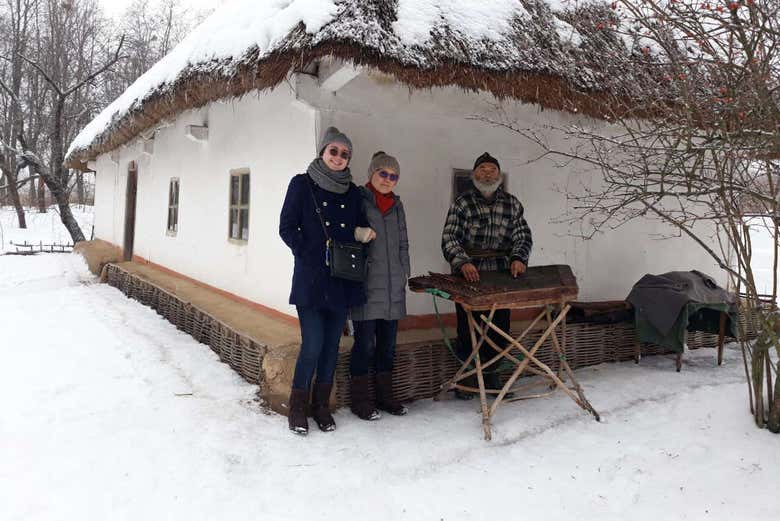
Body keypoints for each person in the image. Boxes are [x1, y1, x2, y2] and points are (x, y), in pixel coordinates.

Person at [279, 127, 376, 435]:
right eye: (333, 151)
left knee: (332, 346)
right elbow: (286, 227)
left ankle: (321, 406)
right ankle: (297, 408)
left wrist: (362, 235)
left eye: (344, 154)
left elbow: (359, 226)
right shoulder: (302, 184)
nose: (338, 157)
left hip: (342, 280)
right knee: (313, 345)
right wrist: (309, 252)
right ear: (322, 152)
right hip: (311, 278)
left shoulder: (353, 192)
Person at [440, 152, 533, 399]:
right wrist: (462, 262)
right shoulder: (462, 203)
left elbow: (522, 235)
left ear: (499, 175)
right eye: (482, 169)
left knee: (499, 329)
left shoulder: (512, 204)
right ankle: (468, 382)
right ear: (474, 175)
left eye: (492, 169)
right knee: (468, 330)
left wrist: (518, 258)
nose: (487, 173)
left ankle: (493, 378)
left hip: (501, 277)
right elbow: (449, 237)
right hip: (468, 278)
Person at [349, 152, 411, 420]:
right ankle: (361, 401)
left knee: (387, 346)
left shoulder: (397, 206)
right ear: (371, 173)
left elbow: (403, 244)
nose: (388, 179)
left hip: (393, 287)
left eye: (393, 175)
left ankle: (386, 397)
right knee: (364, 345)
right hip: (367, 285)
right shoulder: (359, 199)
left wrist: (404, 272)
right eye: (383, 173)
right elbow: (347, 233)